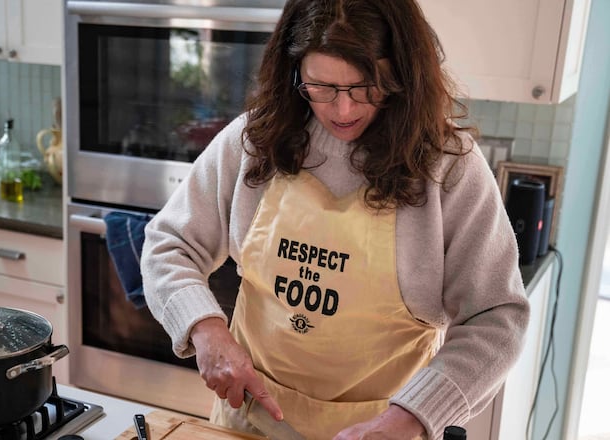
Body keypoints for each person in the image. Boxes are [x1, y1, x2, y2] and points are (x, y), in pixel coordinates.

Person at [139, 0, 530, 438]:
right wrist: (207, 331)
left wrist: (410, 418)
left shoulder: (448, 167)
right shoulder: (255, 142)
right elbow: (168, 244)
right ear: (293, 72)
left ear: (401, 72)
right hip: (249, 423)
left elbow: (495, 320)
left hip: (384, 429)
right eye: (321, 87)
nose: (343, 111)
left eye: (365, 87)